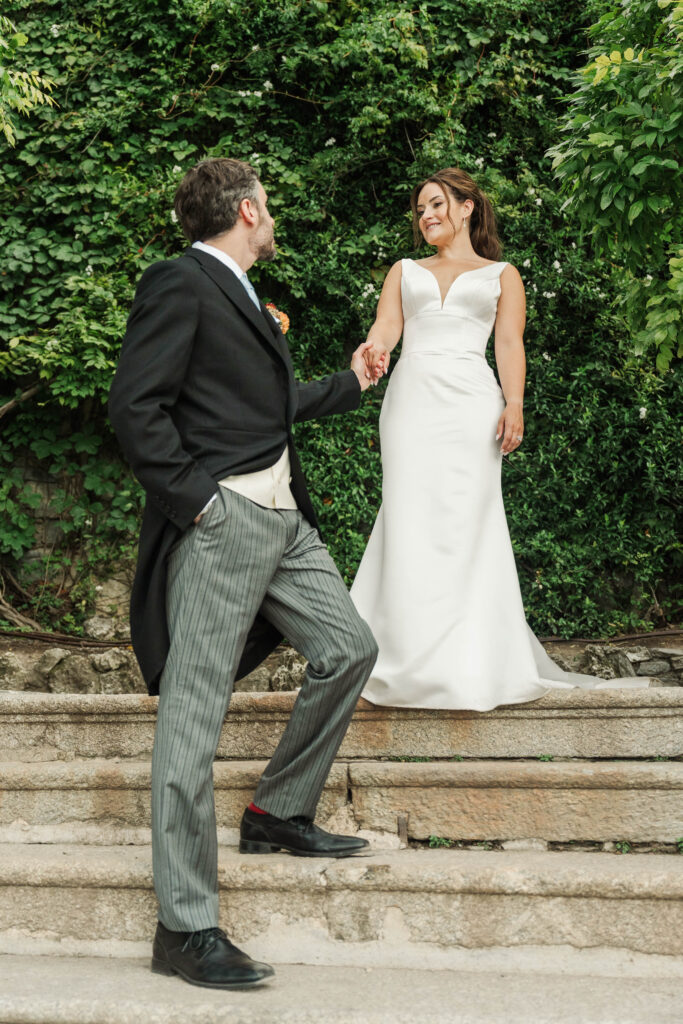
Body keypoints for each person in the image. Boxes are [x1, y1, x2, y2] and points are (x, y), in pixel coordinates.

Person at [108, 157, 384, 990]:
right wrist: (199, 504)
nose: (273, 216)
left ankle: (276, 810)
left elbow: (257, 406)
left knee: (348, 648)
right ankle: (184, 928)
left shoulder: (234, 293)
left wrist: (351, 382)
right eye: (268, 204)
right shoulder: (179, 281)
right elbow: (135, 406)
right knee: (192, 720)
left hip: (282, 518)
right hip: (223, 522)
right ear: (246, 209)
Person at [350, 166, 649, 712]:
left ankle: (468, 661)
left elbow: (509, 344)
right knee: (408, 514)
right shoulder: (403, 270)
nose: (427, 216)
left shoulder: (502, 274)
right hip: (411, 403)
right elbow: (386, 327)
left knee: (469, 520)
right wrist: (373, 348)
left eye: (437, 204)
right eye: (420, 210)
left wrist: (514, 402)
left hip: (470, 404)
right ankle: (398, 655)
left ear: (467, 207)